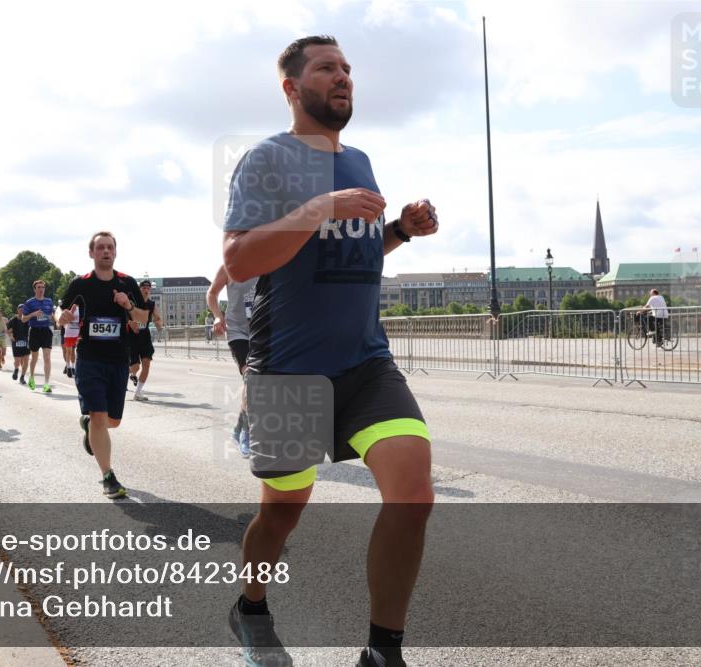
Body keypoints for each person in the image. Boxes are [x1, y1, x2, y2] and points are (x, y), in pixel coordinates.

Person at [221, 36, 439, 667]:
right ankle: (251, 603)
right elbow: (237, 260)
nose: (343, 77)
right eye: (326, 69)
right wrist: (318, 207)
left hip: (366, 362)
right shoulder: (267, 160)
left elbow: (352, 255)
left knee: (413, 494)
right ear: (292, 88)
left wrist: (399, 230)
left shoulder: (362, 160)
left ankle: (382, 651)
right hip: (289, 367)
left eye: (347, 68)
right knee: (282, 512)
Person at [58, 231, 148, 499]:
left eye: (110, 247)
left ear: (115, 252)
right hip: (89, 359)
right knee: (99, 416)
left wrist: (128, 305)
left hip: (118, 359)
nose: (105, 251)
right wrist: (60, 316)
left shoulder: (127, 282)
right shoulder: (81, 284)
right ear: (92, 253)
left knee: (113, 421)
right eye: (100, 248)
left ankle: (89, 426)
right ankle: (108, 475)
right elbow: (60, 309)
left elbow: (143, 317)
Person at [207, 265, 257, 457]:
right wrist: (218, 317)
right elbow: (212, 294)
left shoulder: (272, 259)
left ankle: (237, 429)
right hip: (237, 331)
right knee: (251, 377)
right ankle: (246, 433)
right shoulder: (231, 264)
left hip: (263, 331)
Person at [127, 279, 162, 401]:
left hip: (145, 337)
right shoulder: (132, 303)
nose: (146, 290)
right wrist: (130, 322)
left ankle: (138, 392)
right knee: (136, 367)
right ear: (139, 289)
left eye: (148, 289)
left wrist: (158, 323)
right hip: (132, 337)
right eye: (144, 288)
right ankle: (123, 371)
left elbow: (158, 317)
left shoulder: (151, 304)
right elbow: (123, 316)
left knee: (146, 364)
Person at [21, 280, 56, 393]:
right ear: (35, 289)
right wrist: (33, 314)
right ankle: (31, 377)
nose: (41, 289)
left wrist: (54, 318)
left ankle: (46, 384)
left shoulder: (49, 301)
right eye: (39, 287)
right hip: (34, 331)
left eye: (43, 287)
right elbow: (23, 318)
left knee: (47, 357)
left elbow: (52, 315)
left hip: (46, 331)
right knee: (34, 358)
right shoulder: (29, 303)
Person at [7, 304, 31, 384]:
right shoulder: (13, 320)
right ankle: (16, 369)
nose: (22, 311)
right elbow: (7, 330)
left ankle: (22, 377)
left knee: (26, 361)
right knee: (17, 360)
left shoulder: (27, 319)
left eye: (23, 310)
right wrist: (11, 336)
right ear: (17, 310)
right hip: (16, 342)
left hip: (26, 342)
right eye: (20, 310)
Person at [62, 302, 81, 378]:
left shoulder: (81, 308)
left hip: (76, 333)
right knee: (68, 350)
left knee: (73, 351)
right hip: (69, 332)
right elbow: (63, 319)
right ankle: (68, 367)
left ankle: (73, 367)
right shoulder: (69, 307)